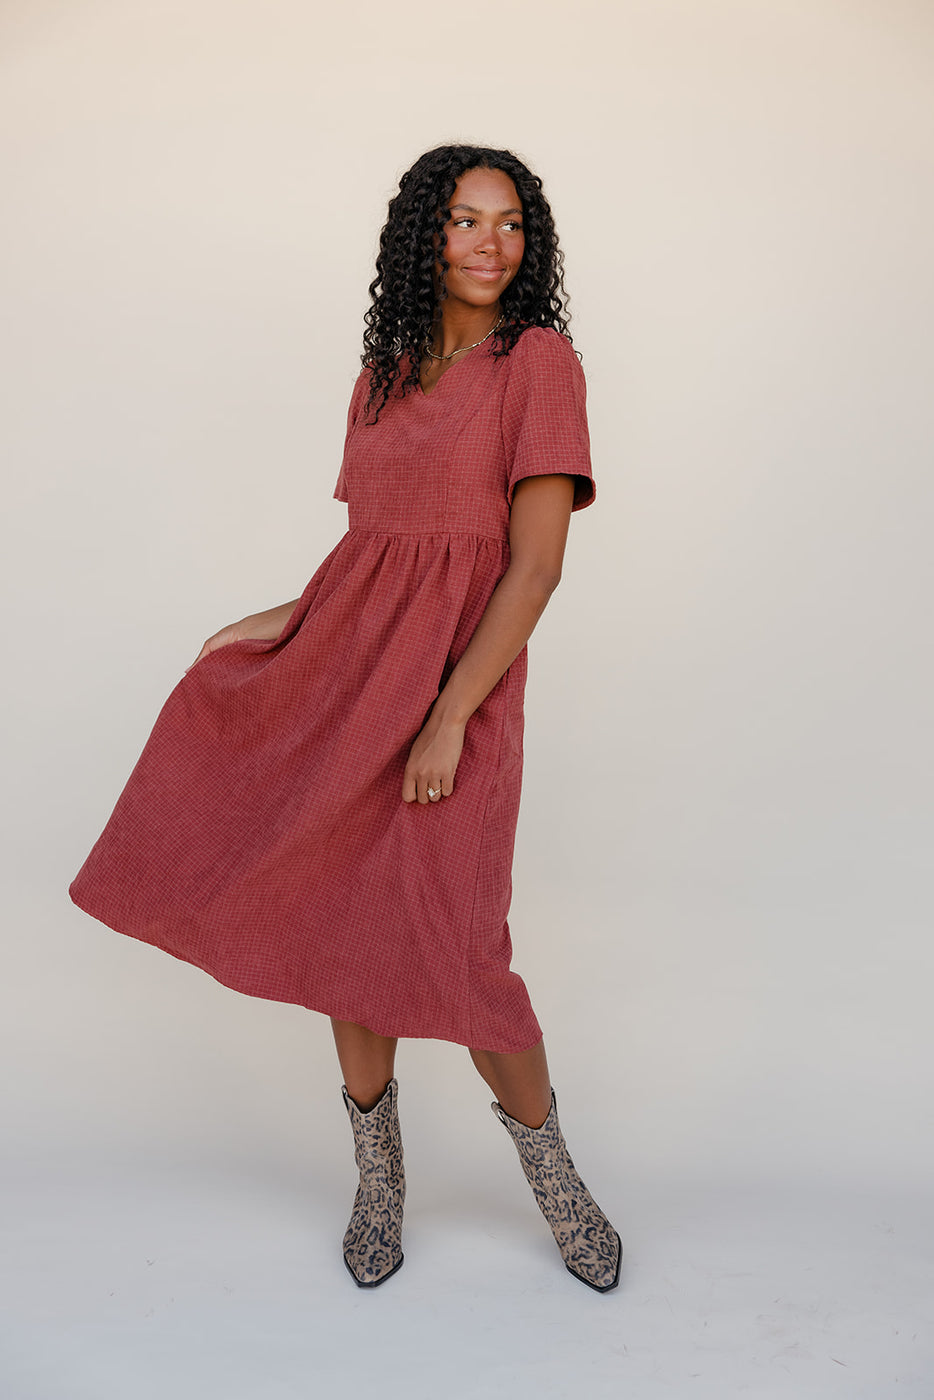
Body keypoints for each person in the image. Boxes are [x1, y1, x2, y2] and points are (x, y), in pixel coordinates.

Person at [70, 143, 621, 1294]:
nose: (489, 242)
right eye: (464, 220)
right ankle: (380, 1175)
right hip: (345, 674)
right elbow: (370, 557)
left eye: (511, 223)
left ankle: (554, 1172)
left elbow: (529, 574)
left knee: (462, 947)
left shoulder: (540, 364)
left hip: (450, 695)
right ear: (424, 236)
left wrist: (447, 719)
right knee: (342, 928)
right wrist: (267, 625)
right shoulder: (382, 372)